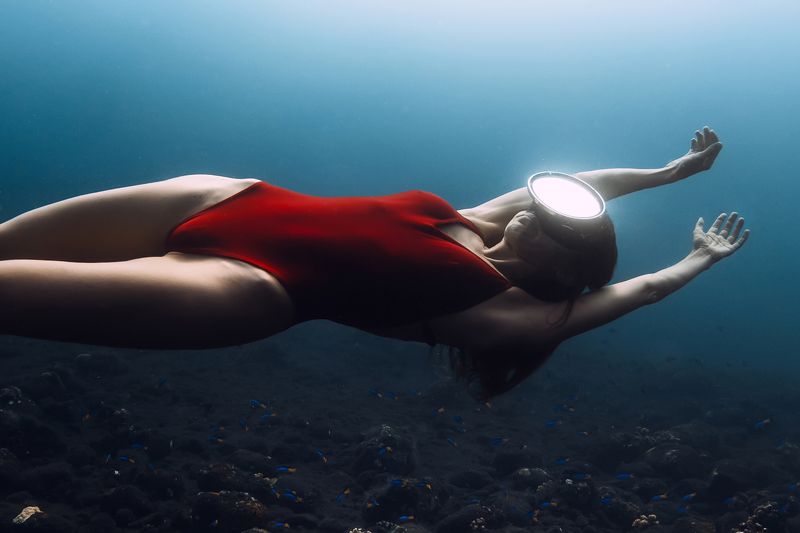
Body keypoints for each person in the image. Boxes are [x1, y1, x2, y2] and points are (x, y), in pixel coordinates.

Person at [0, 126, 748, 399]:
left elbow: (638, 289)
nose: (539, 207)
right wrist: (668, 173)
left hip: (243, 288)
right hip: (223, 196)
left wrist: (697, 260)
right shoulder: (474, 219)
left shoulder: (507, 313)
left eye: (554, 224)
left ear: (560, 263)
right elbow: (587, 185)